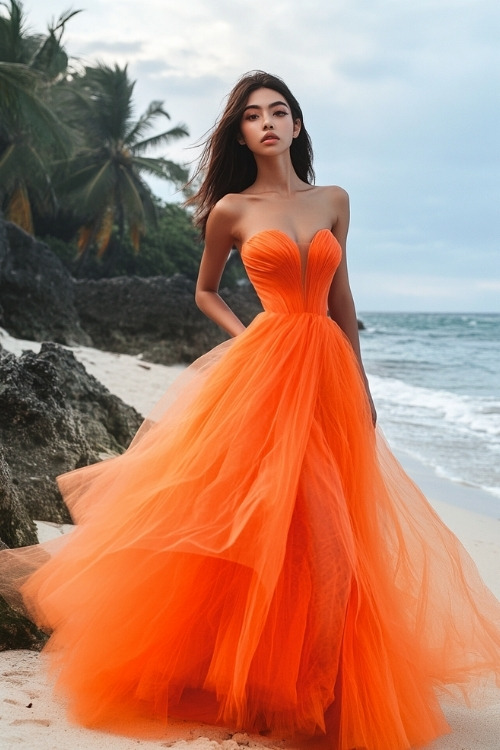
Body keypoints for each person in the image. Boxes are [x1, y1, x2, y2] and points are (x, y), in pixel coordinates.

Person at [0, 71, 499, 750]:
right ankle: (262, 679)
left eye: (279, 111)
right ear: (240, 131)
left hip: (325, 374)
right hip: (264, 373)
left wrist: (364, 384)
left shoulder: (334, 201)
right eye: (253, 115)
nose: (267, 123)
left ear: (297, 125)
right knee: (266, 527)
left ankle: (317, 681)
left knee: (333, 533)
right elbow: (205, 291)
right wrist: (252, 338)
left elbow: (343, 301)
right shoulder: (231, 209)